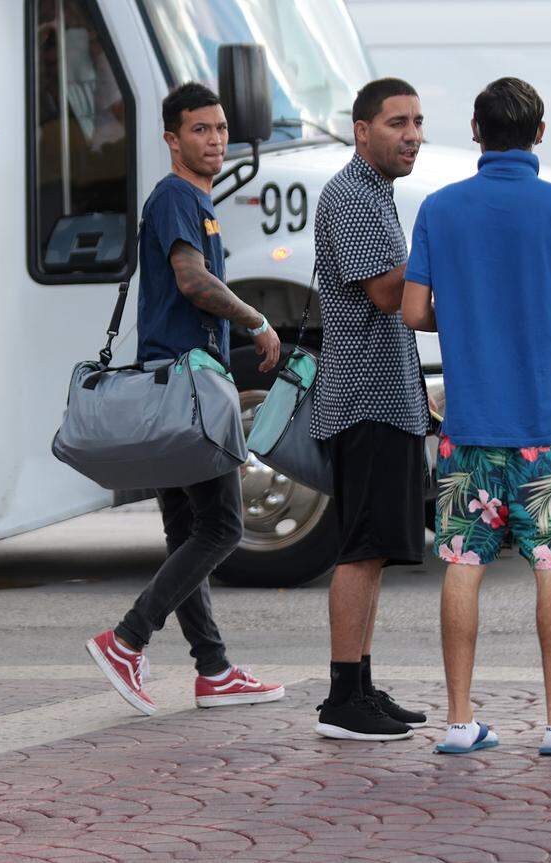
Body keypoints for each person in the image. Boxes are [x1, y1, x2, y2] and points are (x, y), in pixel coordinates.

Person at [402, 77, 551, 754]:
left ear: (475, 133)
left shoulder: (441, 209)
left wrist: (467, 318)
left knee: (462, 561)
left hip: (469, 430)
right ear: (539, 135)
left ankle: (457, 720)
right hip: (549, 430)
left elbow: (415, 312)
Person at [84, 83, 284, 716]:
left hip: (178, 383)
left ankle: (214, 668)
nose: (215, 140)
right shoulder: (176, 196)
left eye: (221, 129)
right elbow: (192, 279)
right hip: (187, 384)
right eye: (200, 130)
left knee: (187, 532)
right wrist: (257, 320)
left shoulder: (197, 199)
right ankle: (128, 639)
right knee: (223, 525)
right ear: (171, 139)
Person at [310, 78, 430, 741]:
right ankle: (339, 699)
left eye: (417, 122)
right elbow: (389, 294)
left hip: (390, 399)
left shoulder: (376, 194)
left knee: (377, 551)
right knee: (359, 551)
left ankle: (360, 682)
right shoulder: (352, 196)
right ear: (362, 130)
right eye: (396, 122)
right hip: (365, 403)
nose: (411, 133)